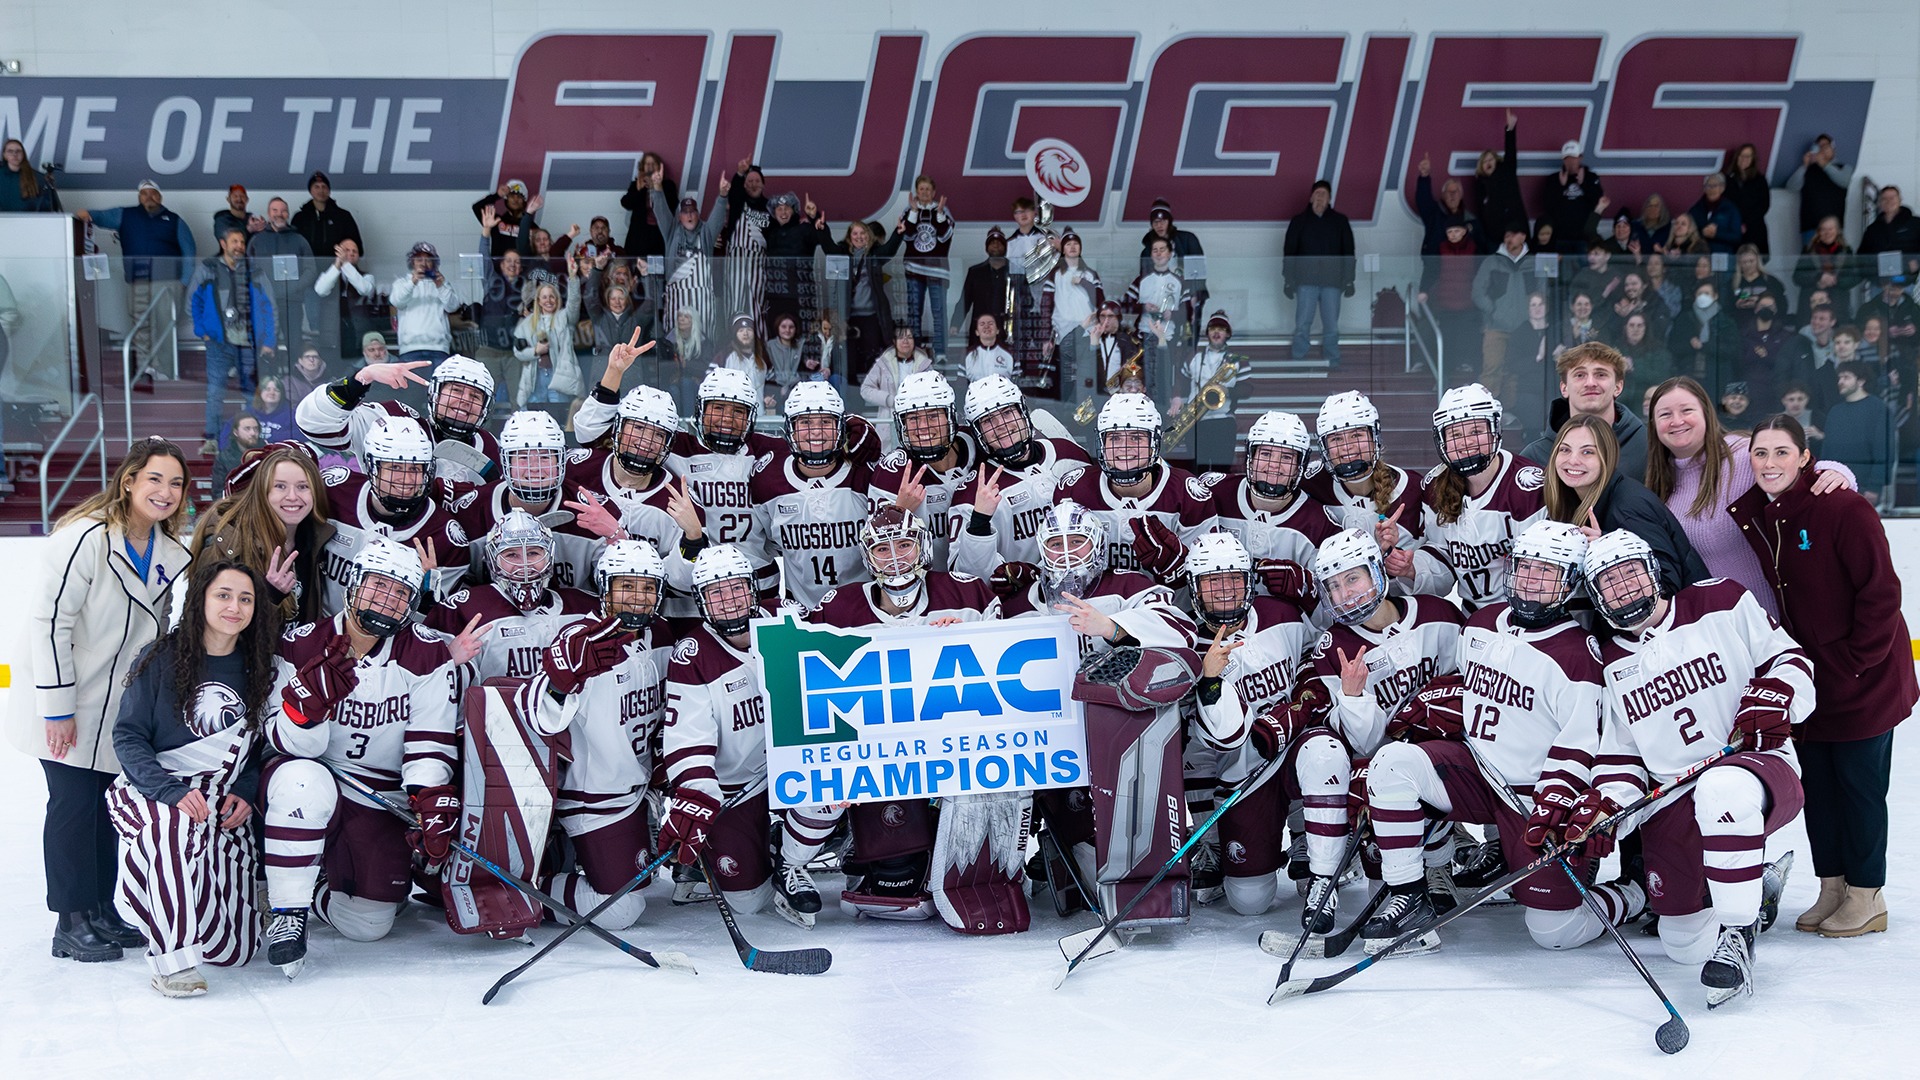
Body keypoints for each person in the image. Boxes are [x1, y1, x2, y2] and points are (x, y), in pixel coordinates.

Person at [1366, 520, 1643, 953]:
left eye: (1548, 572)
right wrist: (1443, 703)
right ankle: (1410, 894)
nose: (1532, 581)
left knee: (1553, 931)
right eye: (1526, 567)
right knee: (1392, 765)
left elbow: (1582, 742)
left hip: (1538, 804)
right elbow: (1476, 692)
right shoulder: (1479, 621)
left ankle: (1635, 893)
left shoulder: (1577, 653)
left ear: (1569, 584)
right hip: (1480, 773)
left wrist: (1558, 801)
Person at [1575, 529, 1810, 1007]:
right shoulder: (1611, 663)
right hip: (1675, 793)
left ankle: (1739, 935)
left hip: (1753, 765)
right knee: (1683, 945)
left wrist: (1778, 697)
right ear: (1596, 596)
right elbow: (1623, 758)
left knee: (1722, 788)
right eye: (1608, 584)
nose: (1623, 590)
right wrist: (1607, 810)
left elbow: (1790, 659)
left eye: (1630, 575)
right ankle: (1755, 885)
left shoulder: (1722, 600)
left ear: (1653, 572)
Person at [1729, 414, 1913, 938]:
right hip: (1812, 678)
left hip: (1865, 676)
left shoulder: (1844, 507)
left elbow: (1881, 594)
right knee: (1823, 788)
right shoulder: (1763, 515)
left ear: (1806, 457)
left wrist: (1856, 661)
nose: (1770, 463)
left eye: (1782, 452)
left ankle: (1867, 894)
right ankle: (1832, 884)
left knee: (1859, 786)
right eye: (1760, 453)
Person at [10, 438, 192, 964]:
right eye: (155, 478)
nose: (165, 491)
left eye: (176, 483)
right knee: (72, 804)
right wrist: (57, 708)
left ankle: (100, 909)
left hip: (115, 704)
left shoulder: (167, 552)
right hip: (68, 694)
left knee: (103, 809)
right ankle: (70, 920)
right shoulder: (85, 539)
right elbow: (51, 624)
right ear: (130, 479)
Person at [781, 507, 1003, 926]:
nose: (896, 557)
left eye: (904, 544)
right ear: (868, 557)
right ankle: (791, 862)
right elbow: (801, 673)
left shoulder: (966, 594)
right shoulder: (839, 606)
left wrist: (970, 637)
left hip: (952, 736)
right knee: (830, 778)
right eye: (883, 548)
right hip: (875, 745)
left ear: (922, 546)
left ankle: (992, 866)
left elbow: (1005, 672)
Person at [257, 538, 461, 971]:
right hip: (313, 775)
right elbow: (279, 739)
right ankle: (288, 912)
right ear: (354, 584)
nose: (386, 600)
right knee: (303, 781)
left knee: (369, 924)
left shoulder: (427, 653)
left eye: (400, 593)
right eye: (378, 586)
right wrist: (304, 714)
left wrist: (427, 799)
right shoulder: (300, 644)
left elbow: (429, 741)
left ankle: (317, 888)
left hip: (379, 794)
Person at [108, 560, 278, 996]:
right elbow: (127, 736)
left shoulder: (261, 665)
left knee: (235, 950)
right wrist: (168, 792)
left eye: (245, 598)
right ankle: (172, 961)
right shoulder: (162, 657)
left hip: (218, 799)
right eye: (223, 595)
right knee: (173, 827)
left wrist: (243, 790)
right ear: (200, 597)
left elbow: (263, 747)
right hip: (150, 790)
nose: (234, 607)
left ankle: (151, 888)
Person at [523, 540, 673, 930]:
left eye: (647, 587)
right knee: (622, 909)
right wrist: (561, 681)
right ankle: (525, 889)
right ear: (604, 587)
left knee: (644, 880)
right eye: (626, 586)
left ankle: (563, 859)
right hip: (594, 796)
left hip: (639, 790)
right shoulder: (580, 638)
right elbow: (539, 717)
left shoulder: (663, 637)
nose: (638, 599)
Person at [1644, 375, 1854, 613]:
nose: (1677, 421)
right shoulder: (1659, 483)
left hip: (1772, 621)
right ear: (1653, 423)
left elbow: (1801, 468)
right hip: (1719, 629)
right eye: (1665, 414)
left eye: (1686, 410)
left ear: (1706, 413)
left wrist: (1837, 473)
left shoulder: (1742, 455)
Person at [658, 543, 790, 915]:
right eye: (716, 592)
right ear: (701, 601)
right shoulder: (692, 655)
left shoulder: (788, 620)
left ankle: (792, 860)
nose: (729, 600)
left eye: (736, 588)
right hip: (739, 786)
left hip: (795, 769)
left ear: (753, 588)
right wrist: (696, 797)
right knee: (747, 902)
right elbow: (688, 736)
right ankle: (739, 855)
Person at [1391, 383, 1546, 611]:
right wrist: (1412, 570)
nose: (1466, 442)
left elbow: (1542, 568)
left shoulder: (1526, 484)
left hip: (1524, 613)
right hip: (1471, 615)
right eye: (1455, 434)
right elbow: (1443, 558)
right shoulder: (1435, 485)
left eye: (1476, 431)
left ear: (1494, 430)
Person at [947, 374, 1095, 575]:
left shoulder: (1068, 454)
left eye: (1007, 413)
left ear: (1023, 411)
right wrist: (979, 524)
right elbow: (965, 575)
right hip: (1023, 603)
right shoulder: (972, 493)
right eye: (988, 420)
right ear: (977, 431)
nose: (1001, 425)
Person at [1542, 413, 1707, 593]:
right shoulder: (1577, 498)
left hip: (1686, 618)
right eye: (1565, 449)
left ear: (1608, 457)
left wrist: (1608, 546)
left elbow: (1666, 583)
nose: (1573, 460)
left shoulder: (1628, 507)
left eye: (1587, 452)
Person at [749, 382, 876, 608]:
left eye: (826, 422)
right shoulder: (768, 478)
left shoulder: (865, 473)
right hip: (801, 611)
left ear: (840, 427)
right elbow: (765, 543)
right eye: (805, 422)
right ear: (790, 428)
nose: (816, 431)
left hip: (865, 609)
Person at [296, 355, 501, 485]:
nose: (464, 400)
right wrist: (362, 378)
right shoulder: (394, 421)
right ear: (435, 394)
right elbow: (314, 423)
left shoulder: (492, 448)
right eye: (456, 390)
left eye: (475, 396)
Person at [193, 443, 335, 624]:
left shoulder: (317, 538)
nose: (292, 496)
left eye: (302, 487)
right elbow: (208, 626)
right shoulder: (227, 544)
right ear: (263, 491)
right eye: (280, 486)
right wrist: (268, 596)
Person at [75, 181, 196, 363]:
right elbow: (96, 216)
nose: (149, 197)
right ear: (139, 197)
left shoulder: (174, 220)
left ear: (160, 196)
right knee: (140, 329)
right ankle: (145, 373)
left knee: (165, 329)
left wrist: (184, 282)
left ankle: (165, 373)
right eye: (144, 194)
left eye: (153, 193)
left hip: (168, 284)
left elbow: (189, 252)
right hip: (136, 283)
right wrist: (85, 214)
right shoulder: (125, 215)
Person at [188, 228, 276, 455]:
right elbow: (192, 302)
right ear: (223, 244)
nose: (239, 245)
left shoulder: (255, 271)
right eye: (234, 241)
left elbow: (270, 308)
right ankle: (212, 440)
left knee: (250, 394)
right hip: (218, 344)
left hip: (249, 344)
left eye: (242, 242)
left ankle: (250, 440)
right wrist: (202, 332)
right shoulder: (208, 269)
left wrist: (269, 341)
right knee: (215, 392)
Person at [1304, 390, 1424, 547]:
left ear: (1374, 438)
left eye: (1356, 435)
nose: (1347, 446)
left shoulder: (1413, 488)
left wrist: (1405, 563)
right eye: (1336, 438)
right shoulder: (1311, 482)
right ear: (1324, 447)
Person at [824, 217, 907, 384]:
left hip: (871, 315)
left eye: (862, 233)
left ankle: (871, 392)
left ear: (868, 235)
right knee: (848, 358)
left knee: (873, 354)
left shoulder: (874, 253)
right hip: (848, 316)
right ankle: (851, 395)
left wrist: (898, 234)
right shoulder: (842, 252)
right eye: (855, 233)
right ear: (849, 236)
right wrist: (820, 228)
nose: (859, 237)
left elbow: (889, 250)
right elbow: (828, 247)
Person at [1283, 180, 1356, 368]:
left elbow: (1348, 251)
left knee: (1331, 325)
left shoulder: (1340, 221)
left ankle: (1333, 358)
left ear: (1330, 198)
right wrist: (1288, 279)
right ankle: (1298, 358)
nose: (1320, 197)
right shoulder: (1299, 221)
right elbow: (1289, 252)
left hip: (1332, 282)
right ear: (1311, 197)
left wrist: (1349, 280)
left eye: (1324, 194)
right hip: (1305, 281)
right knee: (1302, 324)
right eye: (1317, 193)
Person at [1168, 310, 1244, 469]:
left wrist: (1226, 390)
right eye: (1213, 328)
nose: (1217, 332)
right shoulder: (1193, 356)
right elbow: (1181, 381)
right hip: (1196, 421)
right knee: (1197, 470)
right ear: (1207, 333)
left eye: (1221, 329)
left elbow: (1248, 388)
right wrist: (1176, 398)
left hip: (1223, 421)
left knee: (1221, 470)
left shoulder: (1237, 360)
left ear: (1228, 334)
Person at [1471, 224, 1536, 408]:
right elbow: (1477, 292)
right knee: (1491, 370)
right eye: (1506, 235)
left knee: (1515, 372)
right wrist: (1492, 310)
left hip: (1524, 328)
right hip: (1495, 327)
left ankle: (1511, 413)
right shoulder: (1492, 261)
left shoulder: (1533, 262)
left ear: (1523, 236)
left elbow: (1542, 292)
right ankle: (1485, 411)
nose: (1509, 239)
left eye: (1513, 235)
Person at [247, 198, 315, 356]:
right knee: (266, 346)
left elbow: (311, 270)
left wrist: (295, 286)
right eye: (275, 210)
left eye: (283, 210)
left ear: (288, 214)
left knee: (295, 345)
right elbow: (246, 270)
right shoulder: (257, 240)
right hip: (264, 304)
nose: (279, 214)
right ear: (269, 214)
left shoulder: (299, 239)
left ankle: (294, 379)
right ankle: (268, 380)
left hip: (292, 302)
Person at [1817, 362, 1894, 502]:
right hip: (1834, 486)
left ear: (1861, 381)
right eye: (1839, 378)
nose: (1840, 382)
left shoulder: (1878, 409)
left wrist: (1875, 487)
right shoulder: (1835, 411)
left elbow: (1884, 451)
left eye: (1846, 377)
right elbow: (1827, 451)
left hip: (1865, 487)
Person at [514, 264, 585, 410]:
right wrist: (535, 351)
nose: (548, 300)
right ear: (538, 301)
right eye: (544, 297)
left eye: (552, 296)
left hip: (558, 376)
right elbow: (517, 352)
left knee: (558, 416)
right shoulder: (526, 324)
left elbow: (574, 303)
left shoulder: (563, 318)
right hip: (535, 378)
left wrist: (572, 278)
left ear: (557, 299)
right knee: (532, 417)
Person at [899, 177, 955, 358]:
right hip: (914, 269)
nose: (924, 192)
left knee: (939, 312)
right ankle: (915, 351)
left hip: (937, 270)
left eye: (928, 189)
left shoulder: (943, 210)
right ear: (916, 191)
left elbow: (945, 237)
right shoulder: (908, 210)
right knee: (914, 311)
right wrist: (914, 212)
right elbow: (906, 236)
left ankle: (940, 352)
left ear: (933, 192)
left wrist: (939, 215)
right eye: (921, 189)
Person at [1140, 198, 1210, 340]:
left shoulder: (1188, 239)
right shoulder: (1147, 251)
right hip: (1161, 300)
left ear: (1170, 222)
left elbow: (1198, 272)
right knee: (1164, 338)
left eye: (1163, 221)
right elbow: (1144, 282)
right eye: (1155, 222)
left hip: (1187, 296)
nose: (1159, 225)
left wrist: (1194, 297)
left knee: (1188, 339)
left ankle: (1188, 360)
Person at [390, 242, 460, 369]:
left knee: (438, 389)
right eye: (419, 259)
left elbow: (453, 306)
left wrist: (440, 285)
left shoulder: (441, 284)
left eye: (428, 259)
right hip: (409, 349)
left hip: (439, 349)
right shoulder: (402, 283)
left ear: (434, 263)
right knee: (411, 389)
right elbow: (397, 301)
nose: (423, 263)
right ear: (412, 262)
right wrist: (413, 281)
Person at [314, 238, 382, 365]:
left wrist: (345, 265)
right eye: (346, 250)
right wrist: (337, 265)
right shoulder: (330, 273)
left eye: (354, 251)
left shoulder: (367, 276)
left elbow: (364, 289)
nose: (350, 253)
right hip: (332, 335)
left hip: (357, 334)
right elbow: (320, 290)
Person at [1669, 279, 1743, 395]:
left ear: (1715, 296)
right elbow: (1673, 346)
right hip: (1688, 377)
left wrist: (1705, 346)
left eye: (1707, 294)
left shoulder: (1725, 321)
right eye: (1699, 294)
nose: (1702, 297)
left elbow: (1732, 349)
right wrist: (1690, 345)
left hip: (1717, 379)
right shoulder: (1684, 319)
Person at [1786, 136, 1852, 245]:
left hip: (1834, 229)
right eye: (1819, 147)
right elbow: (1791, 187)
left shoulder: (1844, 167)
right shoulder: (1808, 170)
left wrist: (1825, 164)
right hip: (1811, 227)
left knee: (1836, 261)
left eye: (1826, 146)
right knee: (1811, 261)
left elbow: (1844, 181)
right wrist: (1805, 166)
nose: (1822, 150)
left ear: (1833, 149)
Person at [1472, 111, 1528, 239]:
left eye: (1491, 159)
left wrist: (1510, 129)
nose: (1488, 163)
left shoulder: (1507, 173)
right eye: (1485, 161)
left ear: (1497, 161)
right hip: (1494, 237)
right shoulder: (1480, 185)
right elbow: (1480, 211)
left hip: (1517, 234)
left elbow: (1510, 152)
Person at [860, 321, 934, 414]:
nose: (905, 341)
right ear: (894, 341)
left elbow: (933, 390)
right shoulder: (883, 363)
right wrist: (889, 400)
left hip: (917, 416)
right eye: (900, 337)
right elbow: (865, 389)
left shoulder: (924, 364)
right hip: (889, 421)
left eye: (909, 337)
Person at [1547, 140, 1604, 254]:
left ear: (1580, 158)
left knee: (1585, 271)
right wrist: (1561, 187)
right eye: (1567, 158)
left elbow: (1599, 204)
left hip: (1584, 238)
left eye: (1574, 157)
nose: (1571, 161)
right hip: (1561, 237)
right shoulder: (1554, 179)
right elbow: (1548, 206)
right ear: (1563, 160)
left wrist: (1584, 184)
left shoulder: (1591, 177)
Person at [291, 172, 363, 262]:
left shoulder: (343, 217)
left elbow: (357, 247)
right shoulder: (300, 218)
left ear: (329, 190)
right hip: (306, 270)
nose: (321, 191)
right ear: (310, 191)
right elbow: (292, 247)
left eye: (324, 187)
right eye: (316, 187)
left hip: (337, 269)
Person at [619, 152, 677, 261]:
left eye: (653, 163)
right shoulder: (636, 184)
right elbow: (626, 203)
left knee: (658, 270)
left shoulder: (668, 185)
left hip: (660, 235)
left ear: (659, 167)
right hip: (639, 237)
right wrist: (638, 189)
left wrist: (657, 187)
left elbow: (673, 206)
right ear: (642, 167)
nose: (650, 166)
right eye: (647, 164)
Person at [1859, 186, 1920, 280]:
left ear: (1900, 200)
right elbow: (1862, 257)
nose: (1888, 201)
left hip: (1905, 280)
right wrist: (1879, 282)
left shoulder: (1915, 224)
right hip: (1879, 284)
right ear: (1879, 203)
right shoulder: (1872, 230)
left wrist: (1916, 263)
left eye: (1892, 198)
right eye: (1884, 199)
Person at [714, 313, 773, 406]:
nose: (745, 333)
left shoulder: (763, 357)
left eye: (749, 330)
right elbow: (711, 382)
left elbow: (771, 383)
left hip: (760, 414)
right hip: (733, 413)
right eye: (741, 330)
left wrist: (769, 397)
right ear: (735, 334)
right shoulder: (724, 356)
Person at [1724, 144, 1772, 256]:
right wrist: (1737, 224)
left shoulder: (1760, 180)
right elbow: (1724, 205)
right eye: (1741, 155)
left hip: (1754, 231)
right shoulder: (1727, 179)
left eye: (1748, 156)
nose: (1744, 159)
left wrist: (1746, 223)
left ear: (1753, 159)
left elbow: (1764, 205)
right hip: (1733, 231)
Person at [1689, 173, 1744, 257]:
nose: (1712, 189)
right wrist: (1702, 232)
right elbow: (1688, 232)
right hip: (1700, 257)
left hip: (1723, 256)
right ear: (1704, 189)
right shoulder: (1696, 209)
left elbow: (1736, 236)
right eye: (1708, 186)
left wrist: (1716, 234)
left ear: (1722, 188)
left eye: (1715, 186)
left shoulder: (1731, 209)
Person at [1, 138, 55, 212]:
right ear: (4, 155)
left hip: (28, 220)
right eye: (10, 151)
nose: (15, 154)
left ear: (23, 154)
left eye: (18, 151)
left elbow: (46, 205)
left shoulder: (37, 177)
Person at [961, 312, 1014, 388]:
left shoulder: (1010, 353)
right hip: (976, 398)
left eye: (990, 323)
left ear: (997, 330)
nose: (986, 326)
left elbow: (1016, 383)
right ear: (977, 332)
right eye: (982, 324)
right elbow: (961, 385)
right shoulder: (967, 354)